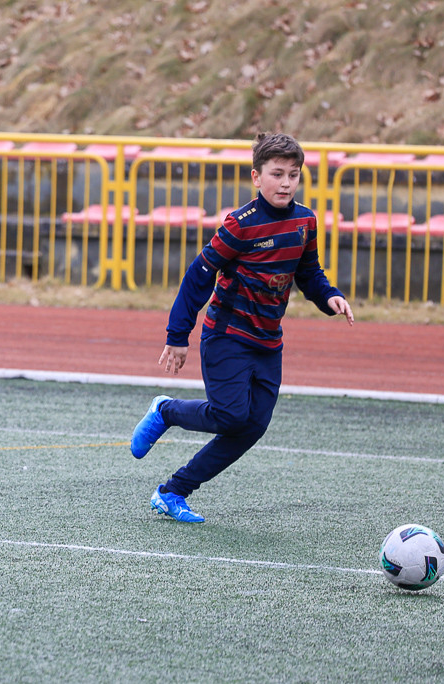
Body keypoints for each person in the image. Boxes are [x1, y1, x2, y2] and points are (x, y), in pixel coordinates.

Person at [129, 132, 354, 524]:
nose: (286, 183)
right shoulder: (240, 225)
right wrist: (178, 336)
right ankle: (166, 410)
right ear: (256, 177)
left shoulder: (305, 221)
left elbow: (308, 273)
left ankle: (173, 491)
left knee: (252, 427)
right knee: (232, 416)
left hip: (268, 343)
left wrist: (329, 296)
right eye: (277, 174)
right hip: (227, 336)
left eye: (294, 175)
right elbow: (199, 275)